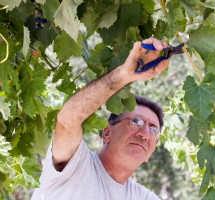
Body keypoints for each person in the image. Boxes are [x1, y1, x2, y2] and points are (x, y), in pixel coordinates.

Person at [31, 38, 170, 200]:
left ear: (151, 152)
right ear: (107, 133)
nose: (145, 133)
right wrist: (124, 75)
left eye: (153, 129)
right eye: (136, 122)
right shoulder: (75, 165)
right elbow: (67, 121)